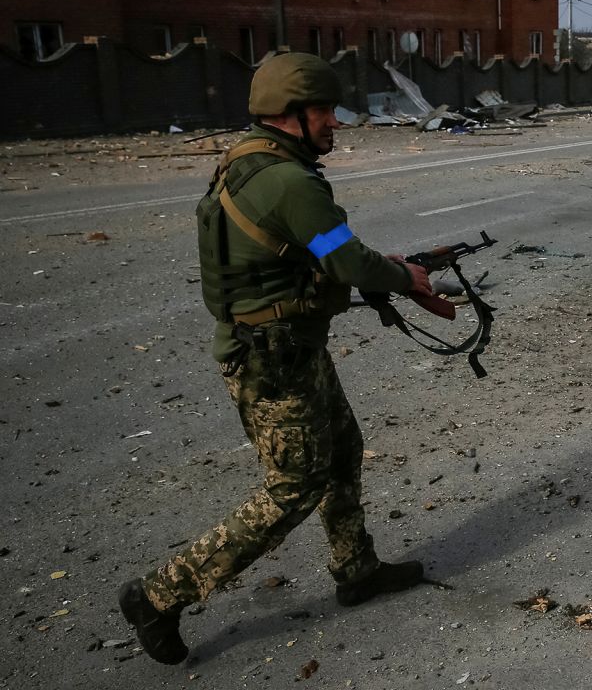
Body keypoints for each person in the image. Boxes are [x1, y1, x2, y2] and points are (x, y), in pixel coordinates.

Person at [118, 52, 442, 665]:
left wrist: (379, 270)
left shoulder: (251, 158)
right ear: (292, 116)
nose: (336, 123)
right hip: (272, 363)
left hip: (290, 345)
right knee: (294, 486)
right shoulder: (291, 181)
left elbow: (320, 252)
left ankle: (356, 568)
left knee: (343, 448)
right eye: (325, 111)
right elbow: (345, 261)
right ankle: (158, 595)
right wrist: (406, 275)